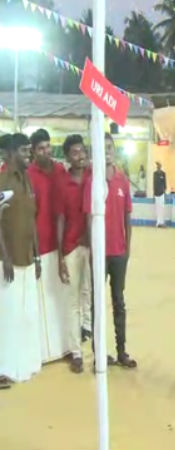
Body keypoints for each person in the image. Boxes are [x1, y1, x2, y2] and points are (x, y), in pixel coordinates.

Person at [83, 133, 137, 368]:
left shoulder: (122, 180)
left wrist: (127, 249)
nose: (106, 151)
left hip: (118, 254)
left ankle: (122, 351)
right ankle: (99, 355)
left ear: (114, 150)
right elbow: (88, 219)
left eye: (109, 147)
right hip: (99, 254)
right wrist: (93, 251)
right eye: (102, 147)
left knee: (118, 302)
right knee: (97, 304)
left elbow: (127, 217)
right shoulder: (93, 182)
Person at [0, 133, 43, 388]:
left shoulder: (27, 180)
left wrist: (37, 255)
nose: (30, 154)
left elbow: (31, 220)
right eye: (25, 150)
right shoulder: (2, 180)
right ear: (11, 153)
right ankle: (2, 369)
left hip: (27, 258)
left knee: (23, 315)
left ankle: (20, 363)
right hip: (7, 261)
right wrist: (4, 256)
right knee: (5, 317)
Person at [27, 128, 70, 364]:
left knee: (62, 298)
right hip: (41, 246)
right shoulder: (29, 175)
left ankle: (65, 346)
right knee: (44, 301)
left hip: (62, 244)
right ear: (33, 151)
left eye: (48, 146)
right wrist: (34, 252)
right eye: (41, 148)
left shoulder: (60, 170)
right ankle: (45, 351)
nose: (46, 151)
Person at [56, 135, 91, 373]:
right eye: (75, 152)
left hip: (91, 246)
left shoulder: (92, 177)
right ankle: (76, 353)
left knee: (90, 295)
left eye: (82, 151)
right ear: (68, 157)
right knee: (73, 301)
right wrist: (60, 256)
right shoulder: (63, 183)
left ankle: (94, 348)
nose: (80, 155)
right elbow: (60, 218)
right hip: (70, 247)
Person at [153, 162, 167, 227]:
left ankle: (162, 222)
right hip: (156, 193)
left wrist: (164, 191)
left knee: (162, 207)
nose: (158, 167)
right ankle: (158, 222)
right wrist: (153, 193)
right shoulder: (155, 173)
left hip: (162, 193)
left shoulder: (163, 173)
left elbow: (165, 183)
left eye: (159, 165)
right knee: (157, 208)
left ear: (160, 166)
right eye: (157, 166)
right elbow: (154, 183)